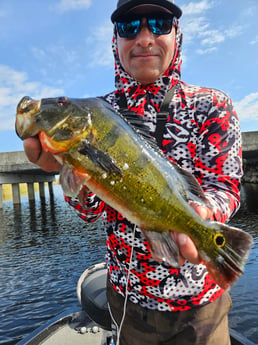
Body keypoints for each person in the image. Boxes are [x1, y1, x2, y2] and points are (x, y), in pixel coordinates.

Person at [23, 1, 242, 344]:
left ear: (176, 35)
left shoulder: (212, 106)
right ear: (116, 41)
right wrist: (69, 171)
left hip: (202, 309)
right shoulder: (97, 111)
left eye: (158, 23)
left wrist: (201, 213)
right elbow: (90, 211)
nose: (144, 38)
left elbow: (225, 187)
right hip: (128, 303)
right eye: (129, 27)